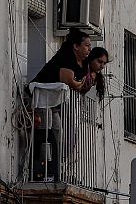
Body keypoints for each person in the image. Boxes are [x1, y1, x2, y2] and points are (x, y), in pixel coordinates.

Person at [29, 29, 92, 181]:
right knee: (46, 130)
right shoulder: (66, 56)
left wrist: (77, 84)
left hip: (53, 101)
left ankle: (53, 168)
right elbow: (68, 80)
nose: (89, 49)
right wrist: (77, 84)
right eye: (87, 45)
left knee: (57, 130)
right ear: (76, 46)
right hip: (41, 97)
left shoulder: (81, 63)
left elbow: (81, 84)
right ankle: (39, 168)